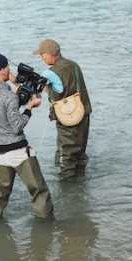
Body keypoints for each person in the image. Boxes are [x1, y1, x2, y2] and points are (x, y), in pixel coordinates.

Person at [0, 53, 54, 219]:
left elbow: (2, 110)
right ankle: (46, 228)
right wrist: (30, 107)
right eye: (7, 68)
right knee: (39, 192)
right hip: (18, 153)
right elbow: (17, 126)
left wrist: (16, 95)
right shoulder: (9, 97)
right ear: (3, 70)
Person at [34, 39, 91, 181]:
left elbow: (32, 87)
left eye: (42, 55)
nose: (42, 58)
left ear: (49, 54)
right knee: (79, 152)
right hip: (83, 112)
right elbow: (65, 86)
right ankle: (80, 185)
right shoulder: (74, 65)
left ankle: (66, 189)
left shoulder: (50, 73)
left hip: (67, 117)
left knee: (66, 154)